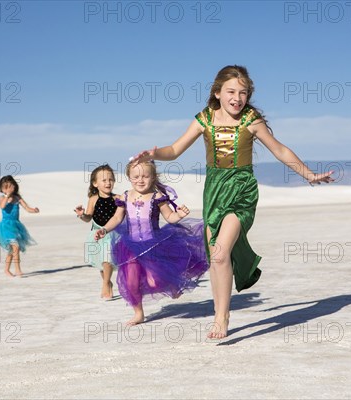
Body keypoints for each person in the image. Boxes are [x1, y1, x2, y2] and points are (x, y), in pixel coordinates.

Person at [133, 65, 334, 338]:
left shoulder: (250, 120)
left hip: (241, 190)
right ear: (217, 93)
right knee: (215, 256)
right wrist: (155, 154)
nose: (237, 97)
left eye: (243, 92)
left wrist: (308, 174)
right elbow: (175, 149)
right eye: (231, 91)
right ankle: (220, 311)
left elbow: (279, 149)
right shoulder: (204, 119)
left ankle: (222, 318)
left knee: (220, 252)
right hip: (215, 190)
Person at [95, 160, 209, 326]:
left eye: (145, 176)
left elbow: (170, 217)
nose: (140, 180)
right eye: (136, 176)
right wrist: (104, 229)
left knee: (154, 281)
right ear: (129, 177)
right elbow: (117, 218)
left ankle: (172, 284)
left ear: (153, 177)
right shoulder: (125, 197)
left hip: (154, 245)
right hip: (130, 246)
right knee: (131, 281)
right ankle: (138, 313)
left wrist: (179, 215)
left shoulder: (157, 197)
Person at [74, 164, 118, 299]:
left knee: (107, 260)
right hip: (96, 234)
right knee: (101, 264)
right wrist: (82, 215)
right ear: (95, 183)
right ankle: (107, 282)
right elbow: (88, 218)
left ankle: (105, 284)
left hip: (112, 234)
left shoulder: (118, 198)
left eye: (110, 179)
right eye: (104, 180)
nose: (108, 182)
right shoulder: (93, 199)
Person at [0, 175, 39, 277]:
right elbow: (2, 206)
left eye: (11, 186)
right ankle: (18, 270)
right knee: (15, 246)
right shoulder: (2, 198)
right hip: (6, 226)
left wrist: (34, 210)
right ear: (2, 189)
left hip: (16, 225)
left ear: (15, 186)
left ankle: (6, 270)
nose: (9, 189)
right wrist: (7, 196)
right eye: (6, 187)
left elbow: (27, 208)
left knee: (12, 250)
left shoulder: (17, 198)